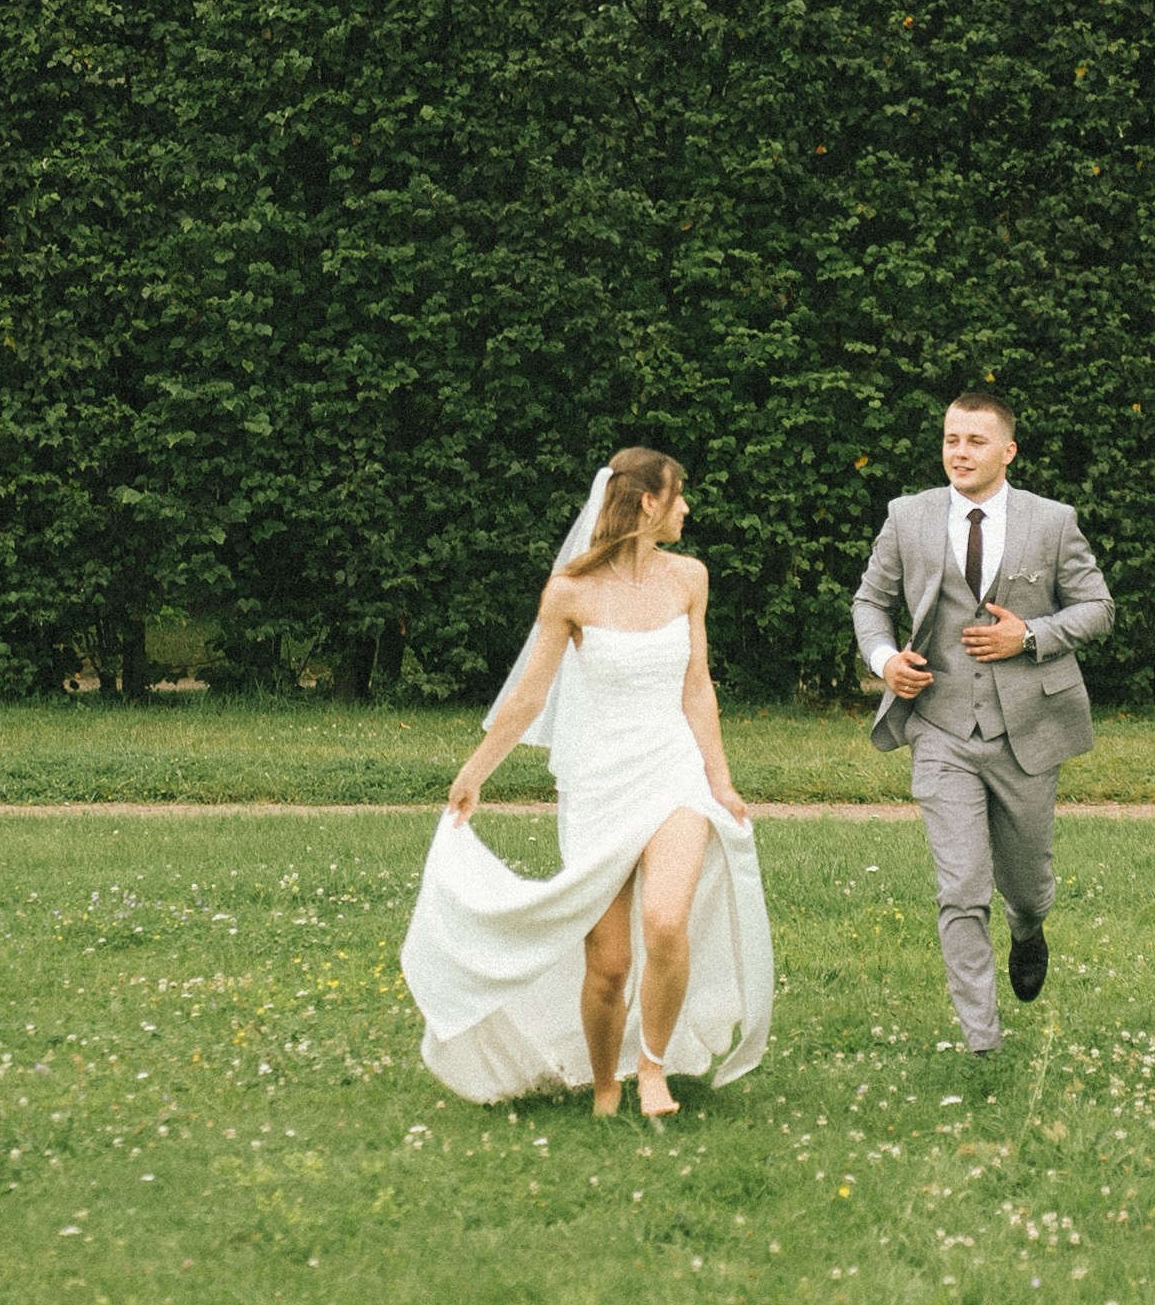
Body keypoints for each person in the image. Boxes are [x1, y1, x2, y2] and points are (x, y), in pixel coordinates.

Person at [401, 448, 772, 1121]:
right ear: (647, 502)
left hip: (673, 770)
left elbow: (697, 686)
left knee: (664, 922)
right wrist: (472, 772)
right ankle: (605, 1086)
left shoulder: (689, 577)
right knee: (607, 963)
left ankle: (653, 1067)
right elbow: (528, 695)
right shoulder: (569, 592)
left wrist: (719, 780)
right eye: (678, 493)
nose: (686, 507)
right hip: (600, 783)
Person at [851, 392, 1113, 1055]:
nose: (959, 452)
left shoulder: (1051, 522)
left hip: (1025, 729)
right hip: (938, 728)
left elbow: (1097, 608)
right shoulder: (906, 518)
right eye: (949, 440)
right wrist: (886, 662)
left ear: (1006, 451)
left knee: (1024, 886)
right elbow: (869, 602)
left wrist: (1030, 637)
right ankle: (982, 1041)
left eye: (974, 441)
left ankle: (1028, 931)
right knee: (961, 887)